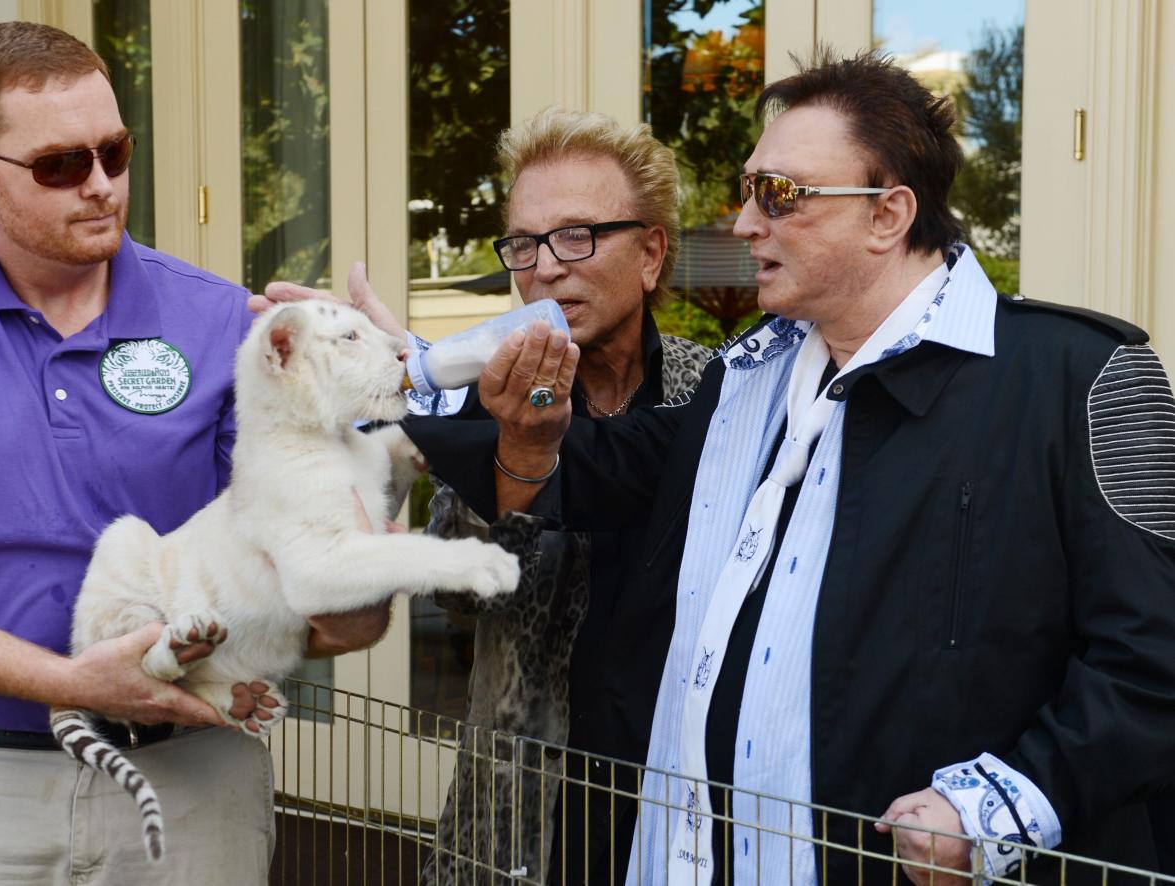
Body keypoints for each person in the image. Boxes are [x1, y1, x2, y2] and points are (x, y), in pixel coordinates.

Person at [418, 50, 1175, 884]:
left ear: (888, 214)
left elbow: (1149, 658)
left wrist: (994, 809)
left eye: (778, 195)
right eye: (748, 192)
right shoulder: (745, 378)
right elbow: (596, 461)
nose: (744, 224)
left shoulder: (1080, 377)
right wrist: (391, 370)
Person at [0, 22, 388, 885]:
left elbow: (327, 609)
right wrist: (69, 679)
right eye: (62, 164)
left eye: (116, 150)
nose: (102, 185)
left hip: (191, 785)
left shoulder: (219, 323)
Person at [262, 107, 714, 885]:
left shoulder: (712, 391)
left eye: (578, 236)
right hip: (517, 802)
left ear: (650, 253)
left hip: (676, 798)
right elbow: (458, 597)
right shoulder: (473, 387)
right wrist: (448, 408)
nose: (544, 268)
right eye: (525, 243)